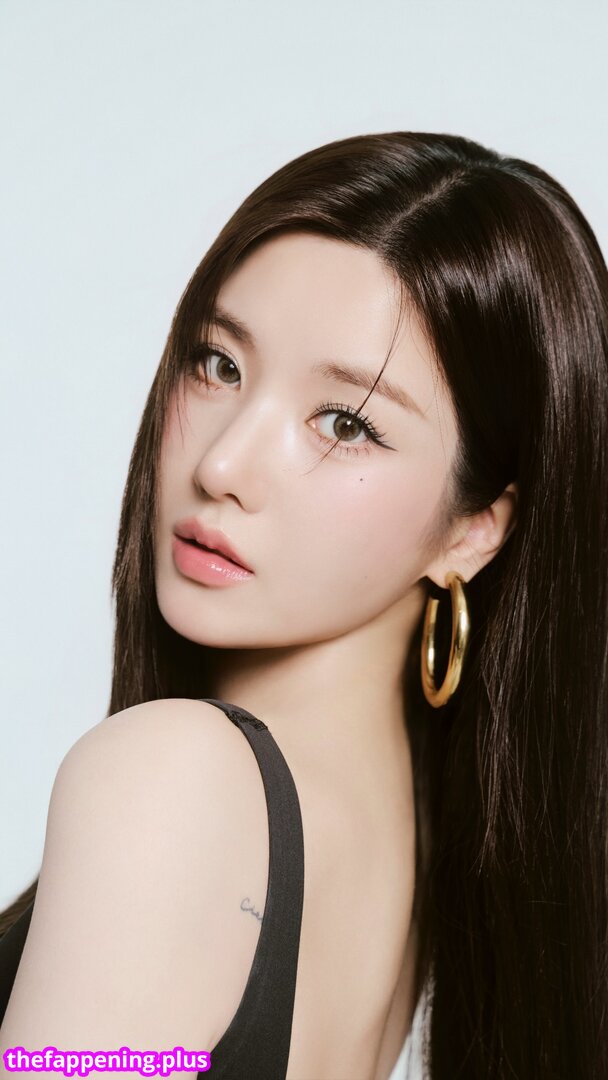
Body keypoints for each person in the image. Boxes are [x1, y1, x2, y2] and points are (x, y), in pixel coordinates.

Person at [0, 130, 606, 1079]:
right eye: (219, 364)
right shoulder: (415, 829)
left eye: (347, 423)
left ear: (475, 529)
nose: (222, 464)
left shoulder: (172, 782)